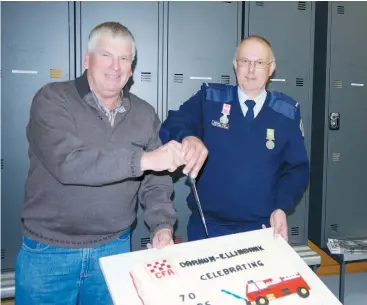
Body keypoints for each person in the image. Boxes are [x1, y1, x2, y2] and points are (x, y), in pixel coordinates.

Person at [15, 22, 185, 305]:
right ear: (87, 59)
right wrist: (144, 159)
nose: (115, 67)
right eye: (106, 55)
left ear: (132, 67)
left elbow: (155, 180)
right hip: (48, 252)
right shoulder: (52, 99)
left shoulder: (144, 113)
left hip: (114, 248)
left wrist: (163, 226)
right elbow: (69, 163)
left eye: (124, 59)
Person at [160, 35, 310, 243]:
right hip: (208, 228)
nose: (251, 70)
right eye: (245, 62)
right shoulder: (210, 99)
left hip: (263, 227)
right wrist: (188, 136)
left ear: (271, 68)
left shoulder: (286, 112)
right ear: (235, 64)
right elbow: (173, 123)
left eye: (259, 63)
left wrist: (281, 207)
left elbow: (297, 169)